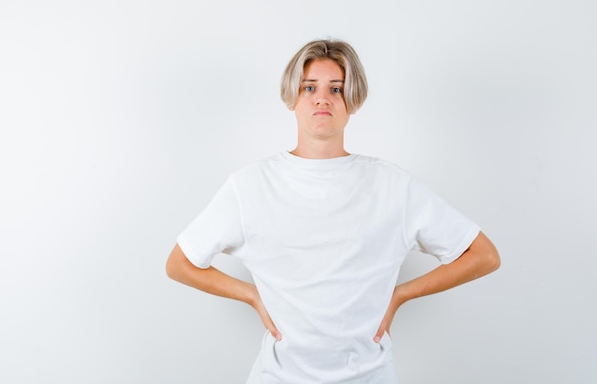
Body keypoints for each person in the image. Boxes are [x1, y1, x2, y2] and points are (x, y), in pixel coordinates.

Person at [166, 39, 501, 384]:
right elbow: (180, 263)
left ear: (352, 101)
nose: (322, 98)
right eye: (309, 87)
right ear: (292, 98)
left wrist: (401, 294)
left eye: (336, 89)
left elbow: (483, 255)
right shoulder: (250, 185)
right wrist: (251, 295)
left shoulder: (392, 185)